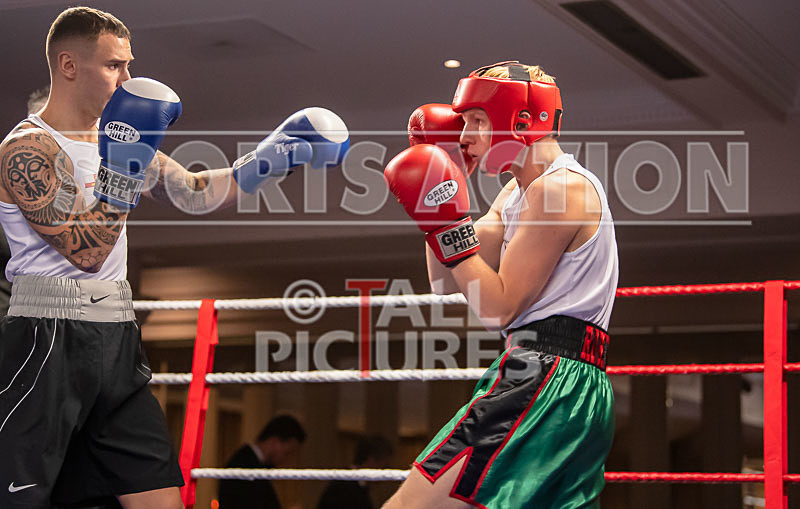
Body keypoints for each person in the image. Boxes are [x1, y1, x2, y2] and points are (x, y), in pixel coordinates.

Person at [0, 7, 348, 509]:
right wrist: (124, 169)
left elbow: (196, 193)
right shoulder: (27, 149)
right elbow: (86, 250)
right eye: (114, 66)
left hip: (117, 336)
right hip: (46, 337)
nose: (128, 79)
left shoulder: (117, 139)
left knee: (159, 497)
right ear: (69, 66)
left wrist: (278, 154)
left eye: (129, 65)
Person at [382, 61, 618, 508]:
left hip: (545, 376)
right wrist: (444, 193)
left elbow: (496, 307)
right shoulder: (516, 192)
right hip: (554, 376)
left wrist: (448, 224)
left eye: (475, 121)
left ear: (520, 120)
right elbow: (445, 279)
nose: (464, 135)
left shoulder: (561, 191)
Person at [218, 414, 307, 509]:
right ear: (275, 442)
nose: (286, 460)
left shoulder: (252, 462)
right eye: (287, 453)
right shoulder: (245, 464)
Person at [316, 435, 393, 509]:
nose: (384, 472)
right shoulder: (344, 484)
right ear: (371, 460)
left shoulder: (356, 484)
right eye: (384, 466)